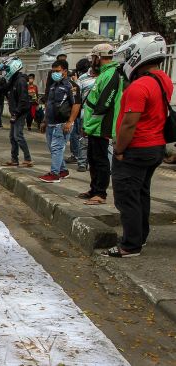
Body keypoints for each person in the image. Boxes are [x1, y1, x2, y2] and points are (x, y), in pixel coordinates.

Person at [102, 32, 172, 257]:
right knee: (141, 194)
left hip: (136, 149)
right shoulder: (163, 80)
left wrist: (120, 150)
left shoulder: (138, 87)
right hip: (156, 147)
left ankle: (130, 245)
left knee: (127, 197)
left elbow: (129, 124)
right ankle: (140, 237)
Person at [80, 44, 123, 205]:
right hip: (94, 125)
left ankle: (100, 193)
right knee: (92, 157)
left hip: (101, 125)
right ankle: (94, 188)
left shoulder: (111, 75)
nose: (92, 61)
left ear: (98, 57)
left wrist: (89, 125)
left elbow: (104, 104)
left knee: (100, 159)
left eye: (93, 57)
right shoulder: (105, 74)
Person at [38, 59, 81, 183]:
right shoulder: (53, 86)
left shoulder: (72, 87)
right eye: (53, 71)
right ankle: (62, 170)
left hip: (62, 123)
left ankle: (54, 173)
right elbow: (49, 104)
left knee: (57, 148)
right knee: (53, 149)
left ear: (65, 71)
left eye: (57, 71)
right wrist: (44, 120)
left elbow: (76, 105)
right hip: (51, 122)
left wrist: (70, 122)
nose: (55, 74)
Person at [0, 57, 33, 167]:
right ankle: (14, 159)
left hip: (20, 112)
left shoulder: (21, 81)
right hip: (15, 111)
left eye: (7, 69)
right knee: (12, 136)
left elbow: (23, 100)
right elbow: (4, 89)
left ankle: (28, 159)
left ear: (13, 67)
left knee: (18, 135)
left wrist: (16, 113)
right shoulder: (13, 80)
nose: (5, 72)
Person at [66, 58, 94, 173]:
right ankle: (82, 162)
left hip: (100, 114)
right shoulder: (82, 79)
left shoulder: (105, 78)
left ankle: (90, 162)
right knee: (83, 138)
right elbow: (77, 98)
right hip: (85, 113)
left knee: (96, 141)